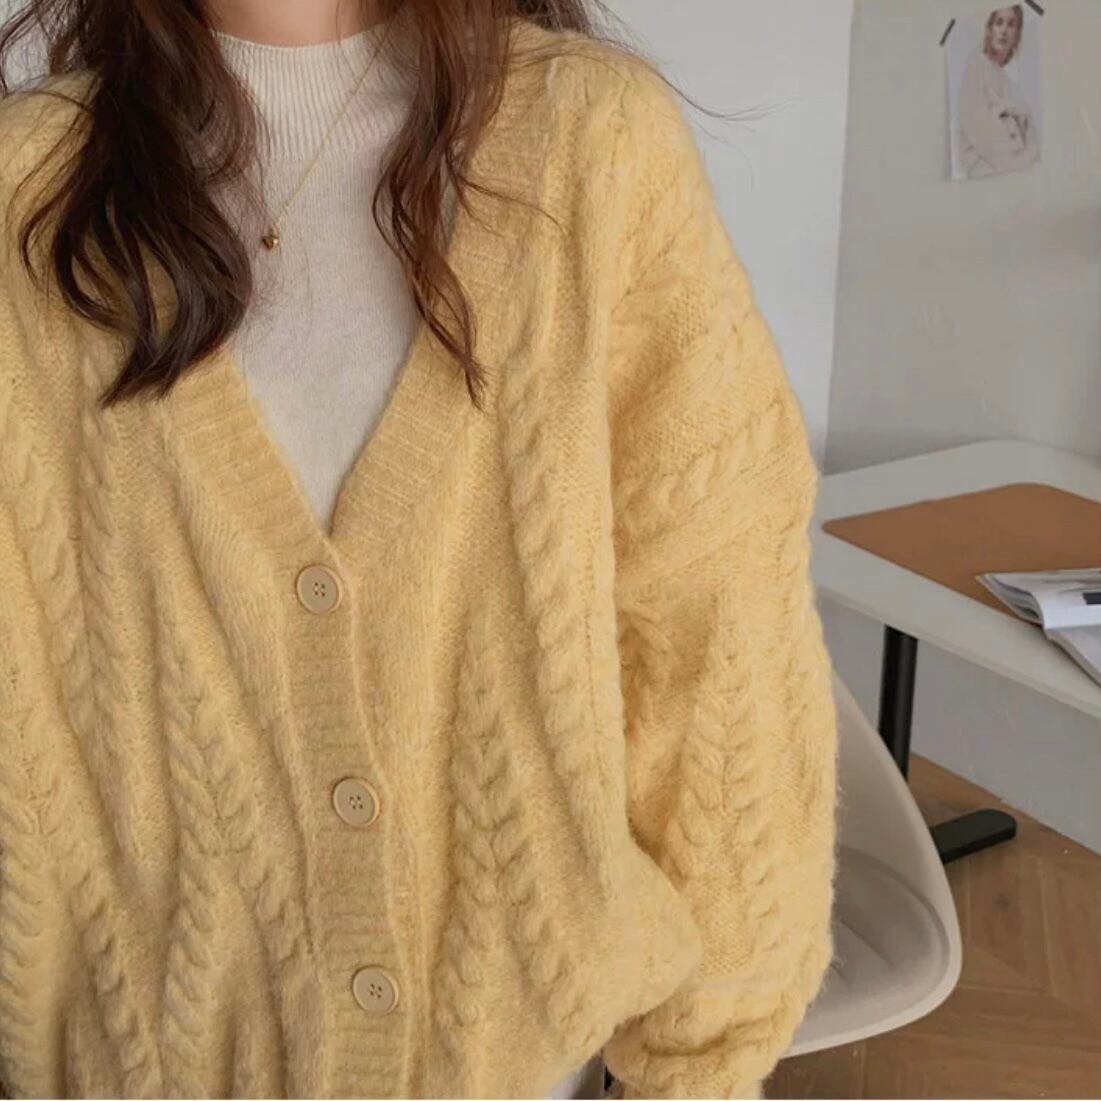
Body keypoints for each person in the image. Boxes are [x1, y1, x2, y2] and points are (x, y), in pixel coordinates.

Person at [0, 0, 839, 1097]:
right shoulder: (29, 190)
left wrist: (704, 1062)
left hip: (531, 1064)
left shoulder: (591, 141)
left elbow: (720, 626)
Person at [957, 5, 1039, 178]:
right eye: (999, 22)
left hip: (1012, 165)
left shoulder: (1005, 78)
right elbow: (977, 125)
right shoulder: (976, 63)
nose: (1004, 31)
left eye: (1011, 24)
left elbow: (1026, 123)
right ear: (990, 29)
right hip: (988, 169)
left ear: (1017, 34)